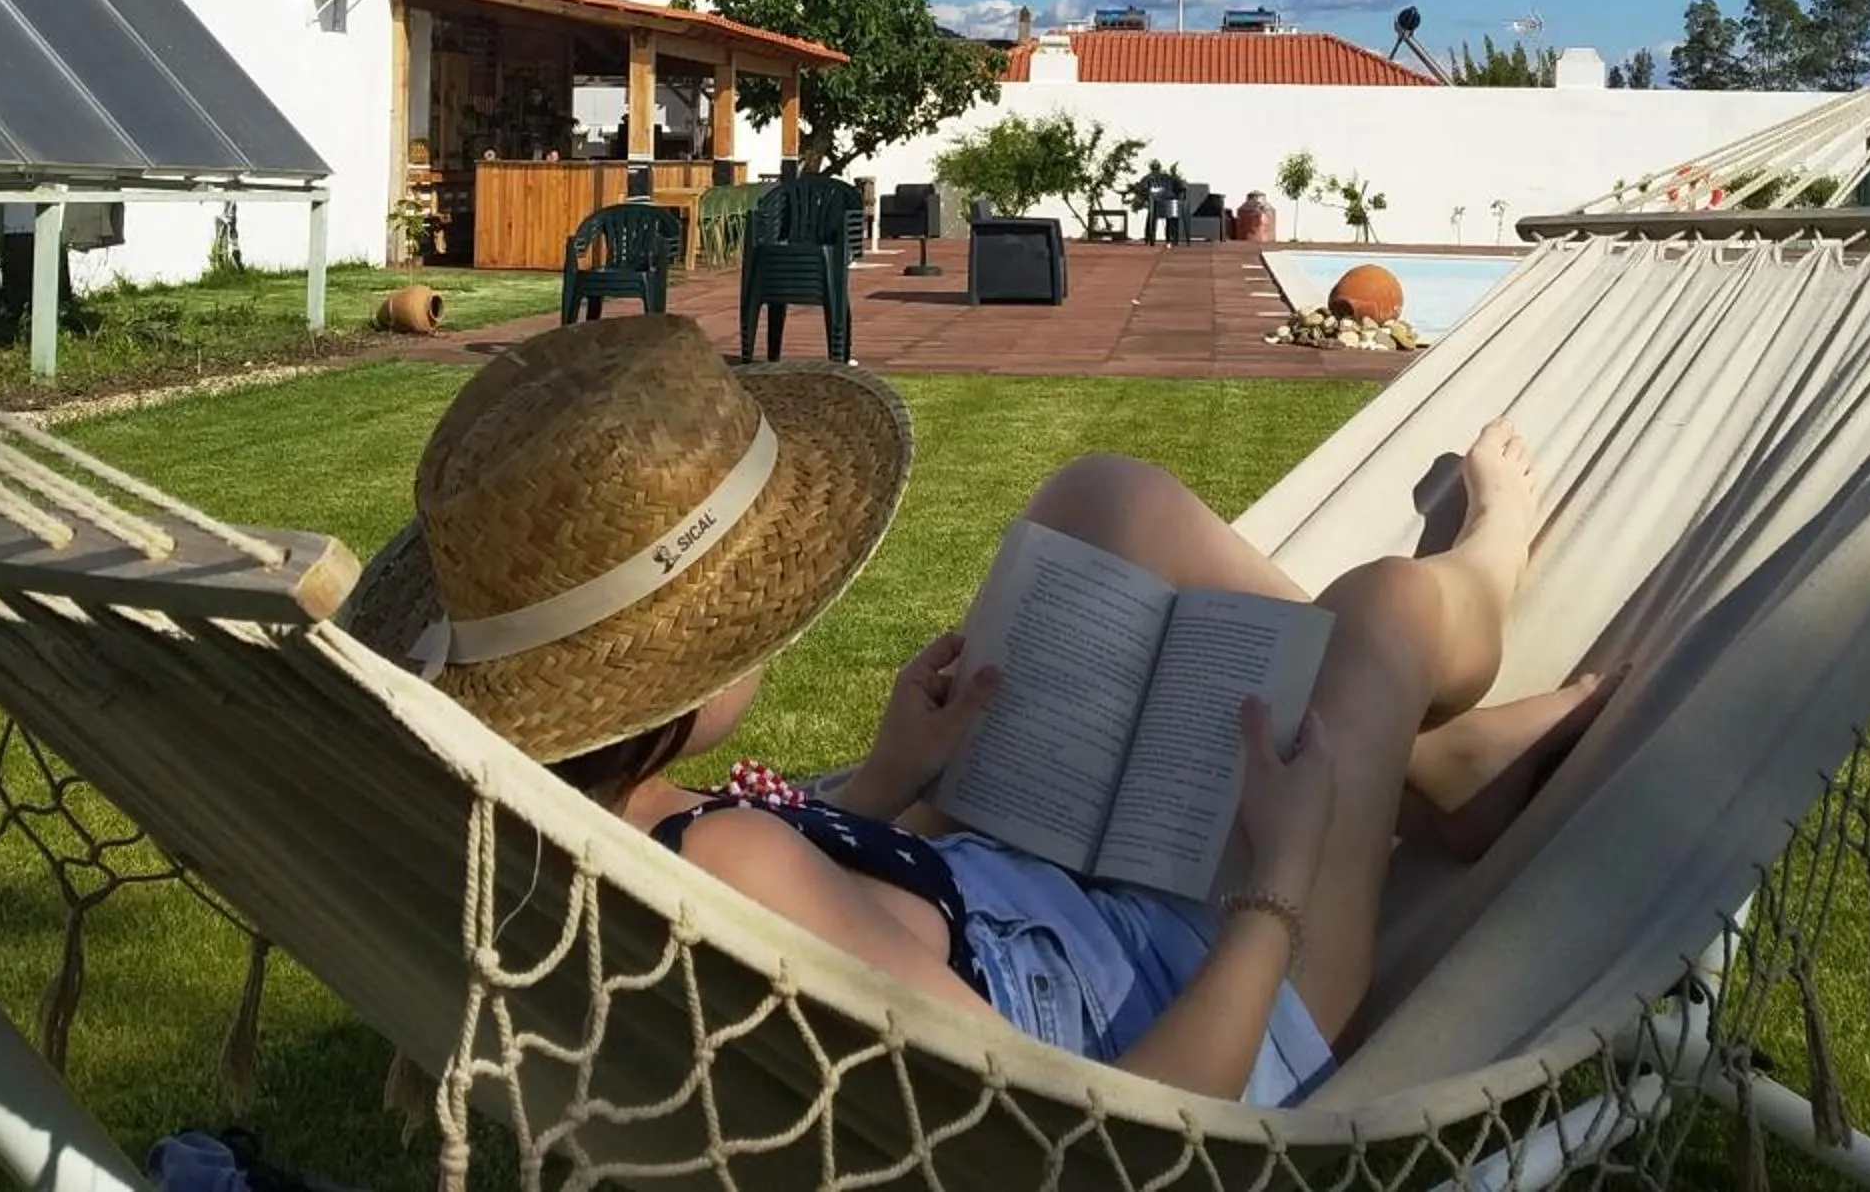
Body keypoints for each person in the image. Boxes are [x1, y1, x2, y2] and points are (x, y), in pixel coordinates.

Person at [353, 315, 1612, 1109]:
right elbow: (1102, 1136)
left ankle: (1418, 759)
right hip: (1220, 1007)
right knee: (1385, 614)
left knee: (1099, 504)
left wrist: (889, 783)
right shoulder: (727, 865)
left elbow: (799, 918)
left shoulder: (572, 837)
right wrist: (1279, 883)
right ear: (680, 672)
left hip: (1017, 901)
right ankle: (1483, 582)